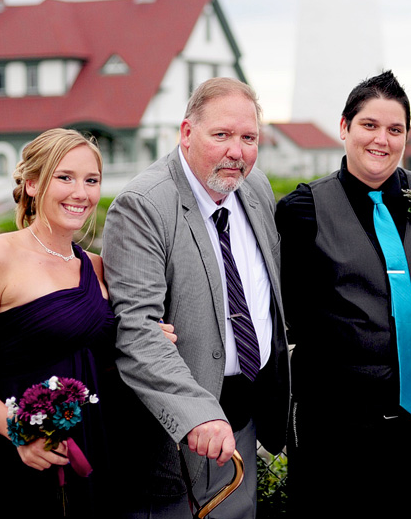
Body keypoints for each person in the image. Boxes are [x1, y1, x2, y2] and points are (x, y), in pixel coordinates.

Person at [275, 70, 411, 518]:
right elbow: (286, 312)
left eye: (395, 129)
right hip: (338, 430)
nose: (382, 140)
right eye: (369, 126)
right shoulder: (302, 210)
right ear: (345, 128)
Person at [101, 77, 289, 519]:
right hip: (176, 440)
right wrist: (197, 415)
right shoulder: (143, 206)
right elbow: (138, 332)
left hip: (243, 425)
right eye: (221, 135)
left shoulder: (255, 187)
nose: (236, 151)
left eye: (249, 138)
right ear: (187, 133)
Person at [0, 129, 126, 517]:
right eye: (65, 177)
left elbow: (100, 357)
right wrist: (21, 431)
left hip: (93, 448)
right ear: (33, 183)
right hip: (14, 453)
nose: (81, 192)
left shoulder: (98, 268)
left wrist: (145, 338)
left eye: (91, 180)